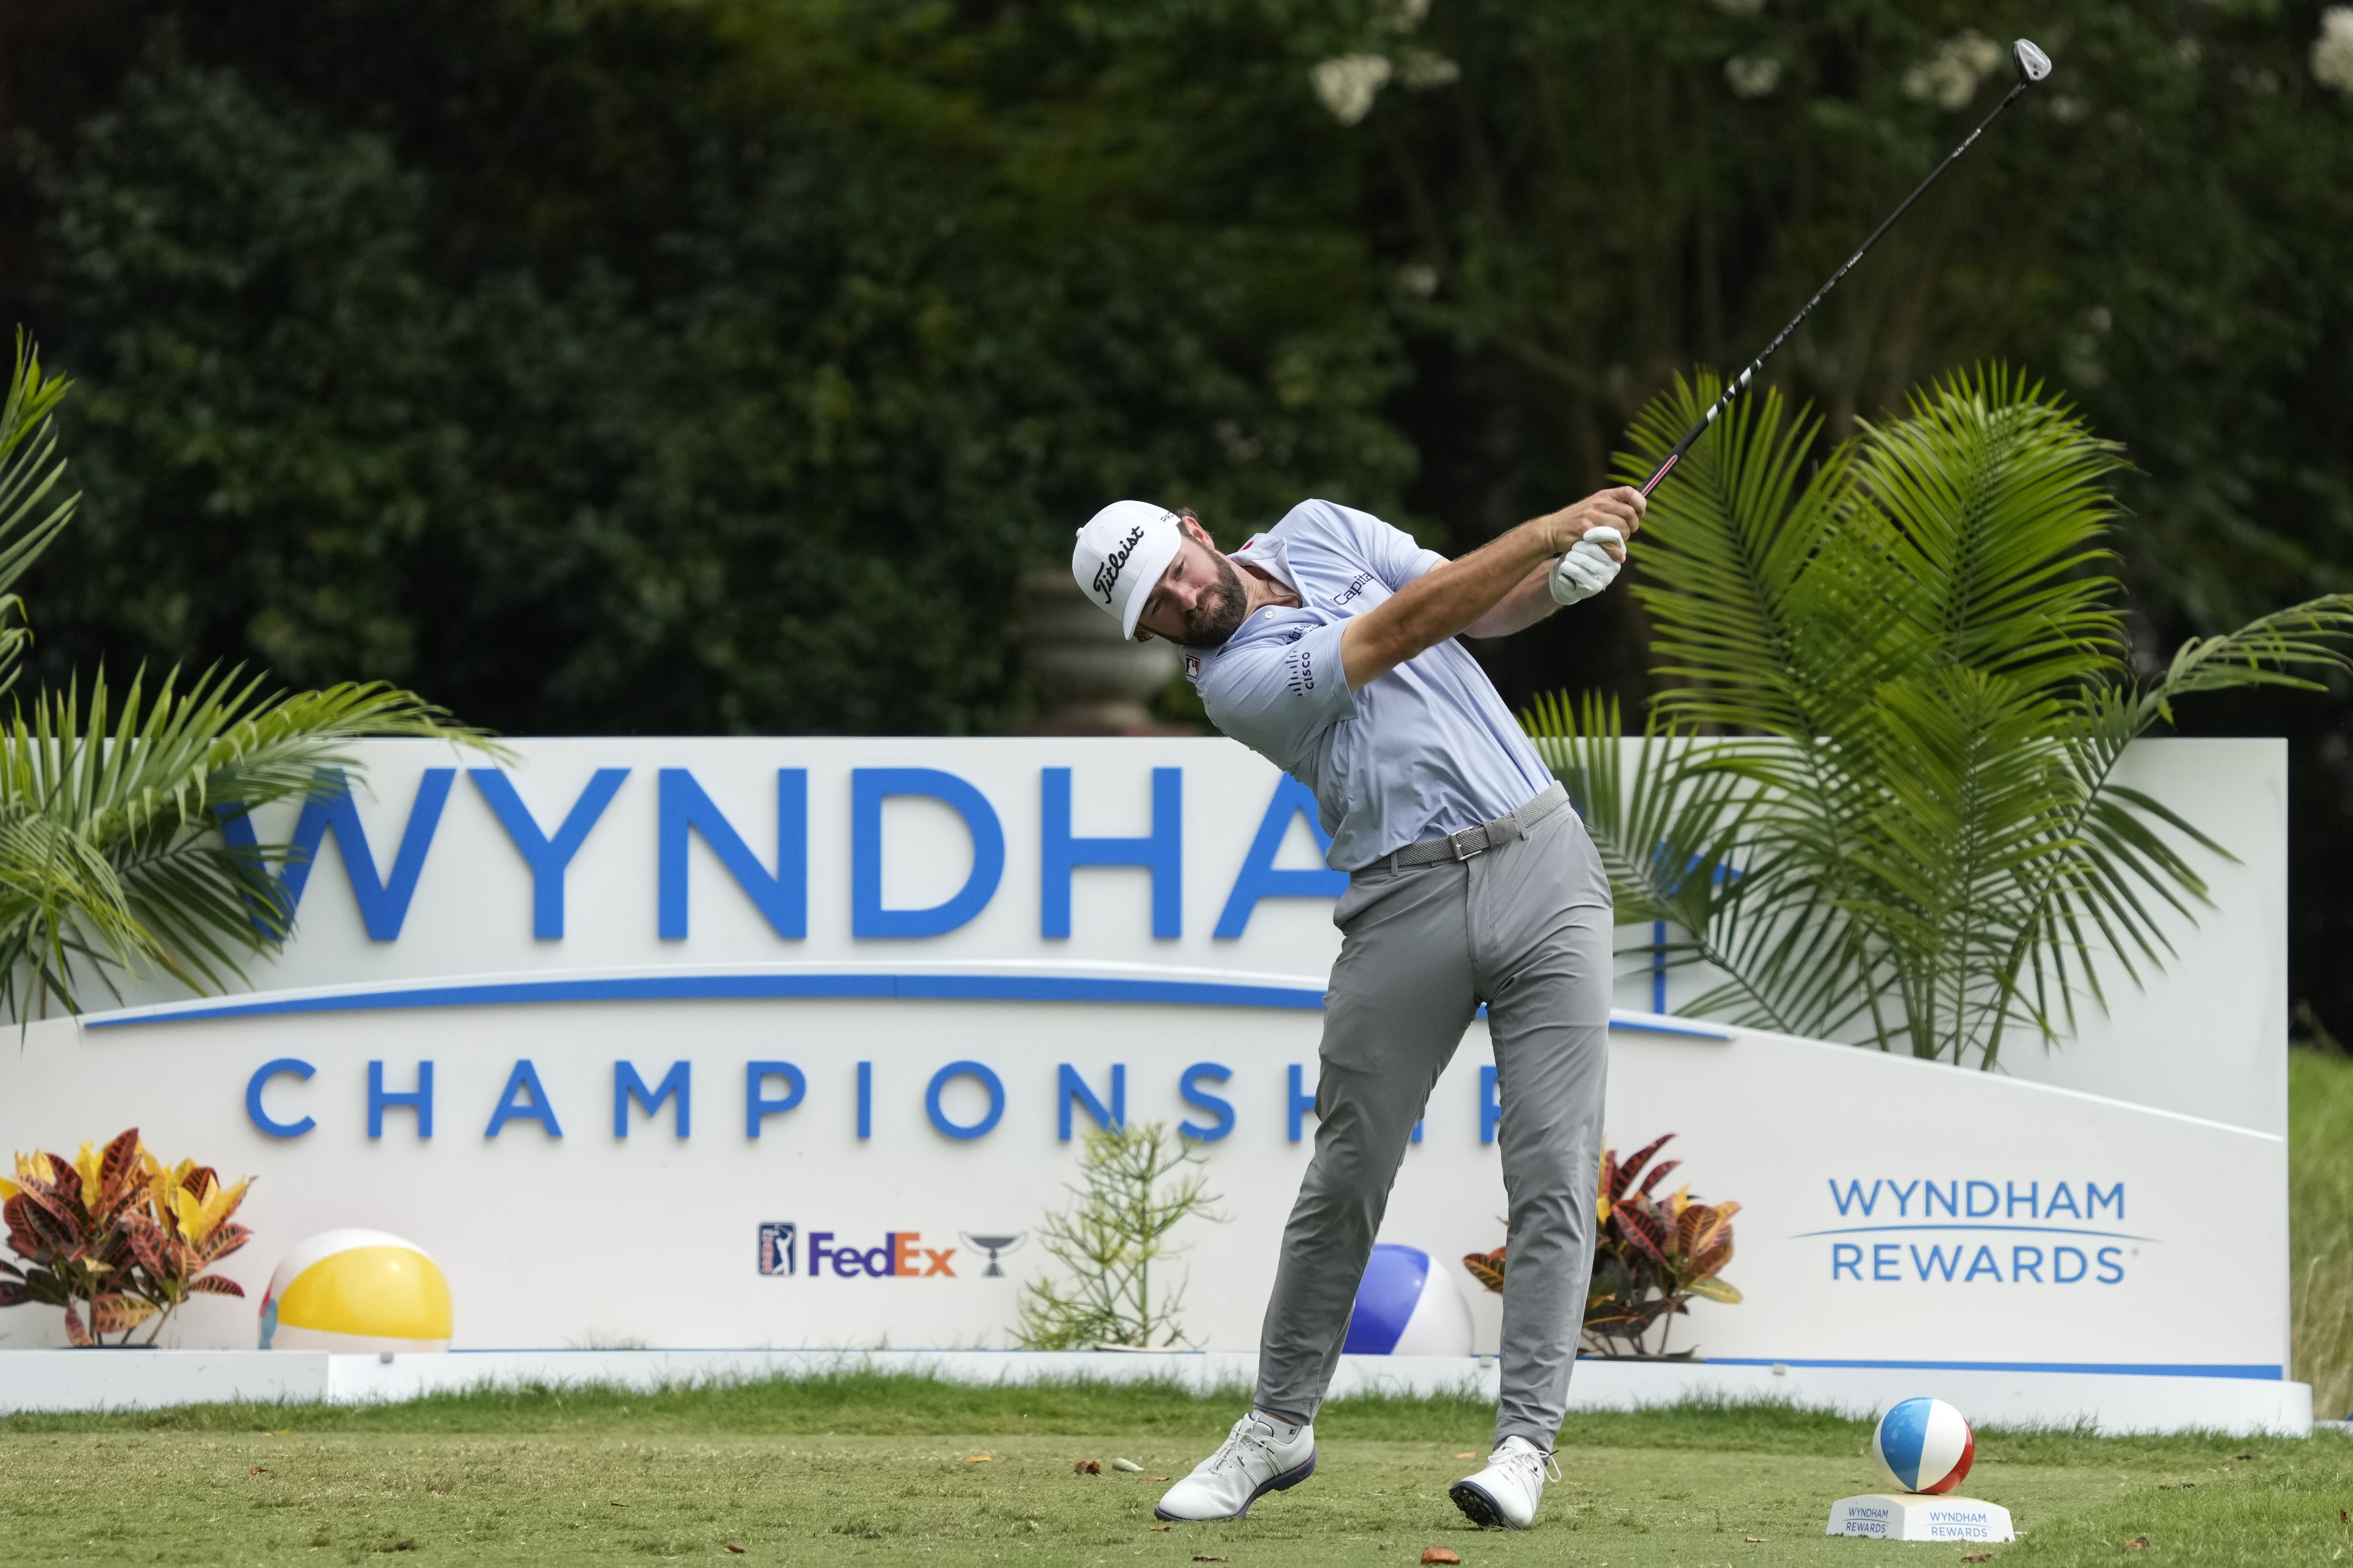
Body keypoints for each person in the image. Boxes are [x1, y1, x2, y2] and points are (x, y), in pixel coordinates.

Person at [1064, 486, 1643, 1532]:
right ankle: (1279, 1424)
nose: (1183, 601)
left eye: (1176, 571)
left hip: (1542, 862)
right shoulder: (1234, 681)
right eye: (1154, 607)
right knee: (1348, 1169)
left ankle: (1524, 1445)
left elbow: (1467, 606)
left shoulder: (1321, 528)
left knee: (1554, 1164)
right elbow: (1399, 629)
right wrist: (1548, 529)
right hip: (1402, 898)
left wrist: (1549, 586)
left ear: (1195, 528)